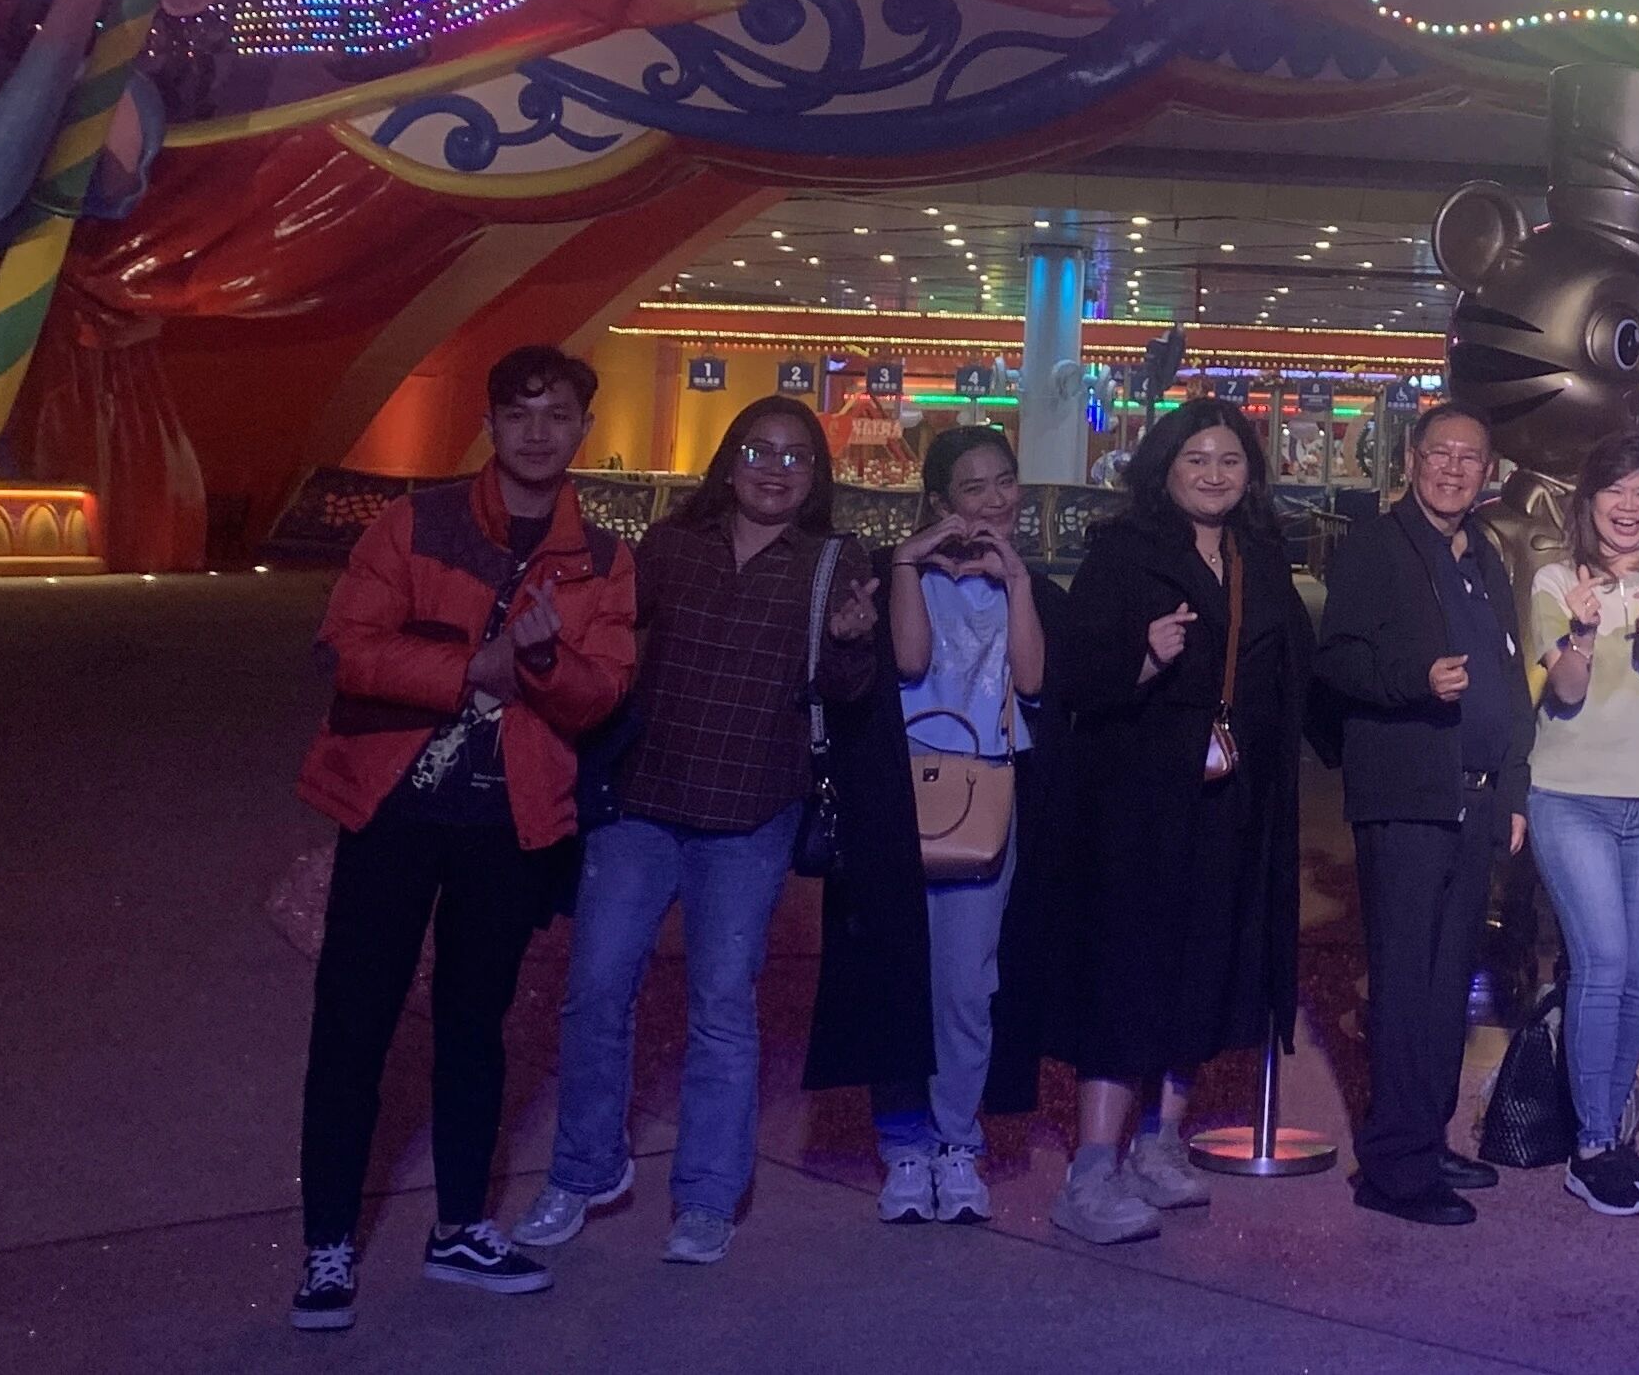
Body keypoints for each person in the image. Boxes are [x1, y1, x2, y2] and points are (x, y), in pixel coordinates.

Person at [287, 348, 638, 1331]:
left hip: (506, 822)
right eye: (520, 414)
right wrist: (474, 667)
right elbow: (349, 648)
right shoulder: (415, 523)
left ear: (583, 432)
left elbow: (601, 694)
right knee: (353, 1023)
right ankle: (327, 1246)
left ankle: (459, 1229)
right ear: (489, 425)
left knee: (475, 1028)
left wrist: (543, 663)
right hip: (392, 811)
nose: (539, 432)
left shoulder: (603, 560)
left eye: (558, 415)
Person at [515, 399, 881, 1267]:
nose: (775, 469)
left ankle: (710, 1195)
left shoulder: (833, 560)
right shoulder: (670, 547)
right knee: (596, 990)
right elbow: (611, 646)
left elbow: (845, 692)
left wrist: (851, 644)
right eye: (759, 450)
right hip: (643, 802)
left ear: (815, 476)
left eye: (795, 457)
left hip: (752, 813)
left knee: (722, 1005)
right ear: (728, 460)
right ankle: (584, 1170)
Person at [995, 396, 1313, 1246]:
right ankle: (1092, 1171)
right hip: (1135, 805)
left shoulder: (1259, 555)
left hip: (1231, 799)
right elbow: (1071, 675)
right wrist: (1142, 657)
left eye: (1230, 460)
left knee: (1204, 963)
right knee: (1127, 973)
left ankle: (1159, 1143)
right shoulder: (1124, 553)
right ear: (1164, 467)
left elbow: (1292, 670)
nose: (1214, 474)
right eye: (1196, 459)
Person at [1315, 403, 1531, 1226]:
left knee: (1447, 984)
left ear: (1488, 473)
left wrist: (1511, 790)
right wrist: (1416, 679)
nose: (1453, 469)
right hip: (1407, 796)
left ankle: (1426, 1135)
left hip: (1473, 799)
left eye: (1470, 458)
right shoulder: (1376, 547)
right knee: (1406, 984)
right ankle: (1395, 1168)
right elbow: (1337, 661)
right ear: (1411, 459)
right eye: (1441, 453)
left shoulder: (1483, 556)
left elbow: (1508, 683)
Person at [843, 425, 1045, 1225]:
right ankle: (904, 1147)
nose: (995, 500)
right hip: (903, 792)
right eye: (974, 487)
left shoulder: (1022, 583)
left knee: (966, 982)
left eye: (1006, 481)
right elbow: (910, 662)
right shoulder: (904, 574)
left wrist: (1017, 580)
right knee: (898, 972)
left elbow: (1032, 678)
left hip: (986, 792)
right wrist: (906, 562)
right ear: (939, 502)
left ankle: (958, 1143)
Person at [1523, 430, 1639, 1217]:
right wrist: (1580, 630)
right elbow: (1565, 690)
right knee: (1602, 962)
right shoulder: (1555, 580)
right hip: (1571, 799)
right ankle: (1592, 1146)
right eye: (1613, 491)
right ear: (1589, 502)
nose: (1628, 507)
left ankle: (1611, 1127)